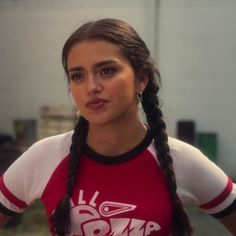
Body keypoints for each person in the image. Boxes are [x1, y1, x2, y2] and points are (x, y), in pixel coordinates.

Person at [0, 18, 235, 236]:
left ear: (141, 79)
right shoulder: (46, 156)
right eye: (78, 76)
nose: (91, 86)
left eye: (107, 71)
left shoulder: (181, 160)